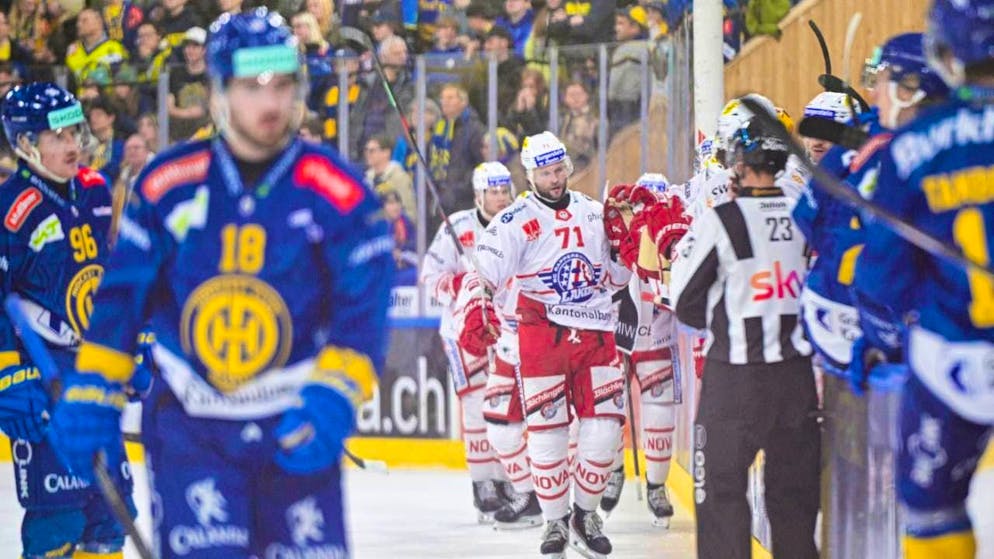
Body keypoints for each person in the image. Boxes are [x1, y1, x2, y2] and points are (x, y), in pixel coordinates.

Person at [47, 9, 395, 559]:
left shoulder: (339, 193)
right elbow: (121, 303)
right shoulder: (166, 186)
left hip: (293, 426)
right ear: (218, 90)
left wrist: (335, 393)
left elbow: (364, 311)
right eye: (251, 86)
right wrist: (94, 390)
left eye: (282, 84)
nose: (271, 102)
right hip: (193, 433)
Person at [850, 1, 994, 556]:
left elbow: (883, 276)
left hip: (950, 360)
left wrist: (890, 336)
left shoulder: (913, 147)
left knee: (933, 508)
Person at [458, 131, 631, 558]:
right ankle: (554, 521)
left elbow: (616, 280)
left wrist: (622, 248)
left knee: (604, 432)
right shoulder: (515, 219)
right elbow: (483, 272)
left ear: (568, 168)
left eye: (559, 170)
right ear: (530, 173)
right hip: (542, 337)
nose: (554, 179)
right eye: (545, 172)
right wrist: (477, 305)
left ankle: (584, 514)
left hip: (594, 334)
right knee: (548, 436)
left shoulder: (593, 212)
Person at [0, 82, 141, 559]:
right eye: (57, 136)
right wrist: (7, 374)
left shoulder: (97, 191)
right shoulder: (10, 210)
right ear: (25, 144)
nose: (72, 144)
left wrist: (132, 344)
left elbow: (113, 278)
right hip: (42, 374)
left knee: (110, 514)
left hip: (94, 369)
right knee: (56, 516)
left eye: (74, 132)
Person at [669, 115, 819, 559]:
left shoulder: (722, 220)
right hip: (795, 381)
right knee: (794, 506)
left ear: (741, 162)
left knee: (720, 498)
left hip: (735, 382)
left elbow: (685, 302)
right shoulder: (802, 216)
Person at [420, 161, 514, 523]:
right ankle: (483, 483)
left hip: (505, 330)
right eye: (494, 192)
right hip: (463, 333)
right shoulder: (457, 226)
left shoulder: (517, 222)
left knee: (506, 408)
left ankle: (508, 480)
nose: (502, 198)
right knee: (476, 405)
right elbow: (430, 275)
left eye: (505, 191)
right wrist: (463, 287)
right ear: (479, 194)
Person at [600, 172, 678, 528]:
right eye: (634, 208)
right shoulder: (609, 227)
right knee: (606, 410)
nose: (640, 214)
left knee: (660, 409)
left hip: (658, 332)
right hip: (615, 333)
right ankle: (613, 470)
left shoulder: (673, 223)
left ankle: (657, 485)